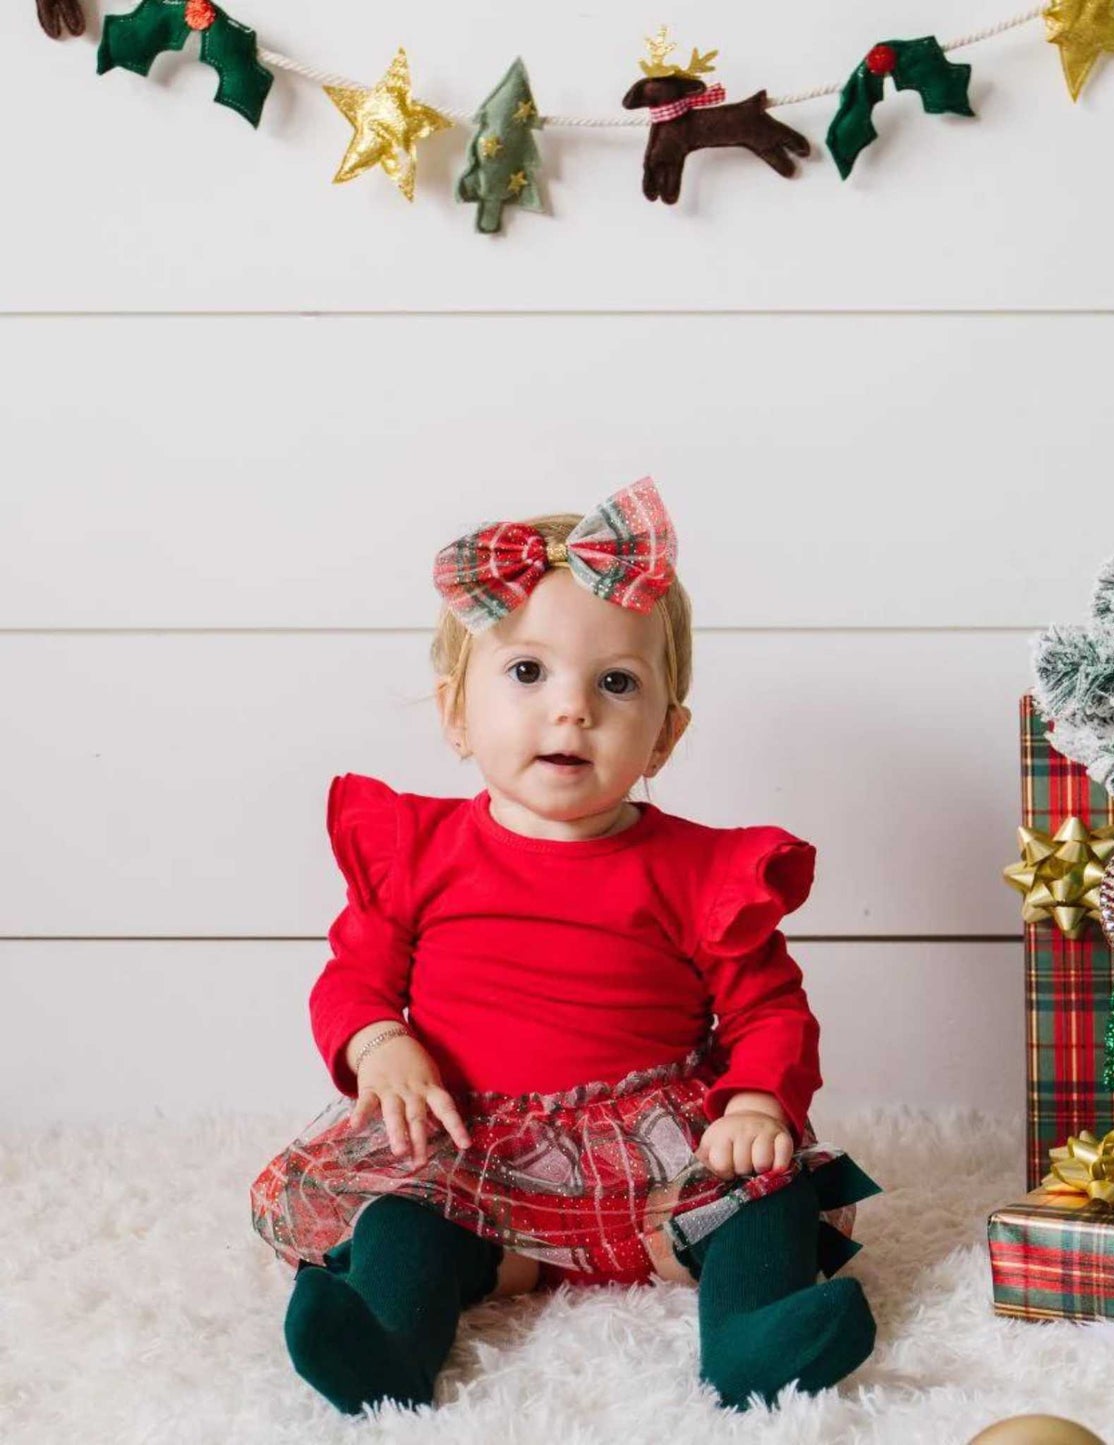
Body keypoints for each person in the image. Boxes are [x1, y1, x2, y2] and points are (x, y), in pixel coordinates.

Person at [249, 477, 881, 1416]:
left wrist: (754, 1098)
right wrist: (380, 1041)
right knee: (400, 1217)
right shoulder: (416, 852)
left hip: (657, 1154)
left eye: (615, 682)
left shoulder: (702, 870)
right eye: (526, 672)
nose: (571, 709)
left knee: (765, 1196)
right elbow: (354, 976)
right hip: (474, 1153)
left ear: (665, 736)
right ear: (455, 711)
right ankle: (388, 1339)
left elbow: (767, 1008)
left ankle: (753, 1333)